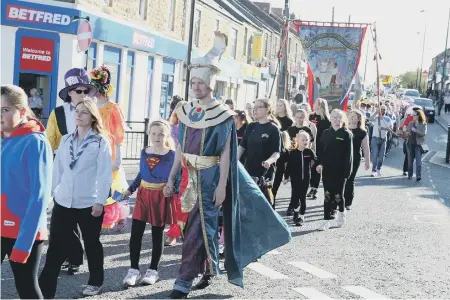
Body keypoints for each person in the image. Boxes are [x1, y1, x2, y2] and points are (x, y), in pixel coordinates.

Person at [163, 32, 291, 299]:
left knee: (199, 226)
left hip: (210, 177)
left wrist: (222, 185)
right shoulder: (185, 111)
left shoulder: (222, 115)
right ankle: (206, 268)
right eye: (193, 82)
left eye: (201, 82)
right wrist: (172, 176)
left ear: (211, 84)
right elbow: (179, 149)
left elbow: (225, 154)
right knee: (187, 226)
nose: (196, 87)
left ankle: (184, 278)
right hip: (188, 176)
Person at [39, 98, 112, 297]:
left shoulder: (100, 141)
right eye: (77, 111)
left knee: (91, 244)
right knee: (55, 246)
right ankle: (44, 291)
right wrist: (48, 197)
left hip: (89, 203)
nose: (78, 115)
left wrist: (100, 201)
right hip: (63, 201)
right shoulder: (66, 140)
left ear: (92, 117)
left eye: (84, 112)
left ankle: (95, 282)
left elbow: (104, 174)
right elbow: (57, 171)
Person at [1, 85, 52, 299]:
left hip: (24, 232)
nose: (0, 115)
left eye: (5, 110)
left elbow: (40, 196)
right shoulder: (4, 139)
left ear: (22, 111)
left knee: (27, 289)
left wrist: (24, 244)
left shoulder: (35, 142)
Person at [45, 68, 98, 274]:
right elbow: (49, 141)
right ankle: (74, 256)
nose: (83, 95)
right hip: (64, 173)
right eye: (78, 91)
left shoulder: (95, 114)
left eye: (86, 91)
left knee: (82, 219)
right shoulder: (57, 113)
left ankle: (85, 264)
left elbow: (104, 141)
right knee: (63, 218)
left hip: (87, 175)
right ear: (69, 92)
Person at [121, 120, 177, 287]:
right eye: (153, 133)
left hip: (160, 196)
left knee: (156, 234)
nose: (157, 137)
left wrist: (171, 187)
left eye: (161, 133)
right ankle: (133, 270)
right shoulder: (144, 152)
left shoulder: (172, 155)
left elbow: (177, 176)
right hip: (143, 195)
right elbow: (141, 173)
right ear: (148, 134)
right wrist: (130, 189)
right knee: (135, 234)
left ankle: (153, 271)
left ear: (167, 135)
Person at [89, 65, 129, 231]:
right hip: (94, 150)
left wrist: (118, 157)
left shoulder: (113, 108)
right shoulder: (90, 106)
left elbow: (119, 133)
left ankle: (119, 212)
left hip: (110, 151)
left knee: (114, 184)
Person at [240, 98, 282, 206]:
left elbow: (277, 153)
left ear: (267, 110)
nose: (255, 110)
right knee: (248, 203)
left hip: (265, 172)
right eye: (254, 107)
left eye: (259, 107)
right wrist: (233, 161)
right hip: (249, 170)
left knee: (264, 204)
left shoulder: (273, 129)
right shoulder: (251, 127)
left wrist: (269, 161)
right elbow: (242, 147)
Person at [316, 109, 353, 231]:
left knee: (338, 195)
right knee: (327, 194)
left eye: (339, 118)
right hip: (327, 169)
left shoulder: (346, 134)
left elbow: (349, 155)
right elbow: (321, 151)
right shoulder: (326, 133)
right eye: (334, 117)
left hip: (340, 170)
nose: (336, 120)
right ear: (330, 118)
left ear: (343, 120)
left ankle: (341, 213)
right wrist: (319, 164)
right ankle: (326, 219)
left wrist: (347, 172)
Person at [283, 131, 317, 226]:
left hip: (305, 179)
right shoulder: (292, 153)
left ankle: (301, 217)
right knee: (294, 198)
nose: (305, 141)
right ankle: (296, 212)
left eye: (307, 139)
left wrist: (319, 167)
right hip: (295, 179)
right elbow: (289, 167)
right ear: (297, 140)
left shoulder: (309, 152)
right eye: (303, 139)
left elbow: (316, 161)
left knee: (303, 198)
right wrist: (286, 177)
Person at [344, 110, 370, 210]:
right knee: (342, 179)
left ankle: (348, 202)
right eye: (350, 116)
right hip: (342, 157)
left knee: (350, 179)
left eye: (355, 116)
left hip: (355, 158)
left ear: (359, 118)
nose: (352, 118)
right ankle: (339, 199)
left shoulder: (362, 132)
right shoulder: (344, 129)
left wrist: (367, 161)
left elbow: (366, 148)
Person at [308, 98, 331, 200]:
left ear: (320, 105)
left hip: (320, 145)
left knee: (316, 167)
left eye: (315, 103)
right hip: (309, 144)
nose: (313, 104)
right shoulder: (311, 116)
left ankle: (315, 188)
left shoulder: (326, 119)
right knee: (309, 166)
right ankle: (310, 186)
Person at [272, 99, 293, 202]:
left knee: (279, 172)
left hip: (284, 149)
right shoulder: (273, 119)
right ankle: (270, 195)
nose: (278, 107)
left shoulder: (290, 121)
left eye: (281, 105)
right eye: (277, 105)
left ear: (285, 107)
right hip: (273, 148)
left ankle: (274, 193)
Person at [369, 105, 392, 177]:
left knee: (381, 156)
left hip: (383, 139)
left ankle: (378, 169)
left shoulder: (388, 119)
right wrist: (376, 112)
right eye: (381, 109)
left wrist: (382, 128)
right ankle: (373, 170)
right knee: (375, 155)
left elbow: (390, 129)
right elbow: (370, 119)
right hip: (375, 138)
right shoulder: (376, 118)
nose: (382, 111)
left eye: (384, 109)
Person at [405, 109, 427, 181]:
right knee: (410, 161)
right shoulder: (411, 123)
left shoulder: (423, 124)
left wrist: (415, 131)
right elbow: (406, 132)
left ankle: (418, 176)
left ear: (418, 116)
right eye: (412, 115)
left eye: (414, 115)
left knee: (418, 162)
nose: (413, 116)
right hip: (410, 144)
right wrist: (407, 133)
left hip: (418, 145)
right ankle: (410, 174)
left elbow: (423, 134)